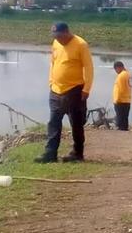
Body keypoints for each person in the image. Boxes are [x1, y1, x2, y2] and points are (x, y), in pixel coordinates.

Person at [35, 22, 93, 163]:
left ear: (67, 32)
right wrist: (51, 81)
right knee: (54, 122)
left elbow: (89, 67)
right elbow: (53, 63)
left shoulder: (80, 44)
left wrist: (86, 89)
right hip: (56, 90)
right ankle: (50, 153)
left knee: (76, 123)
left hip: (74, 90)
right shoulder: (55, 43)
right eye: (55, 36)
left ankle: (77, 153)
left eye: (60, 36)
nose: (58, 39)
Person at [112, 61, 132, 131]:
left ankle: (121, 136)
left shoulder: (121, 76)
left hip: (120, 101)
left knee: (120, 121)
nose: (116, 71)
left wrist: (116, 100)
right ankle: (125, 133)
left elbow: (120, 89)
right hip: (127, 100)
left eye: (116, 69)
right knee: (125, 120)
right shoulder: (128, 74)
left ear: (118, 67)